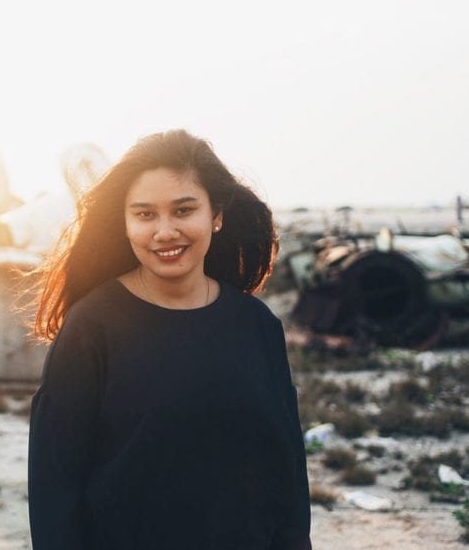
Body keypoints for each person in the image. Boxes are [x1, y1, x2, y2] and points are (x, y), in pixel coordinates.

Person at [28, 129, 312, 550]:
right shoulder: (93, 327)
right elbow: (56, 484)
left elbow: (286, 467)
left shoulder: (256, 325)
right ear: (124, 222)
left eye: (183, 210)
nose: (164, 231)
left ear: (216, 214)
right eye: (144, 215)